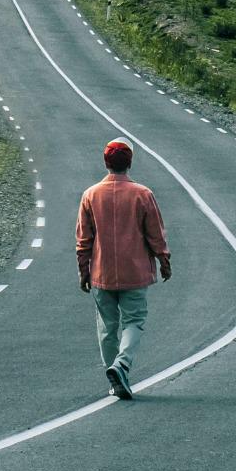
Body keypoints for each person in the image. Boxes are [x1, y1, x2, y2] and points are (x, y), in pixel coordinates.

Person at [76, 137, 170, 399]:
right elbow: (155, 235)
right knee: (134, 322)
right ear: (130, 162)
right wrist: (164, 261)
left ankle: (114, 376)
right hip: (135, 273)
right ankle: (122, 364)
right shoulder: (143, 194)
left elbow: (83, 240)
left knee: (107, 328)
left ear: (106, 162)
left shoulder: (90, 195)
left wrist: (84, 271)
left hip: (101, 274)